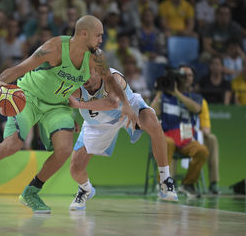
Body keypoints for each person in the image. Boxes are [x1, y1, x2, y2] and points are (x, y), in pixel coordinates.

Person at [0, 15, 139, 213]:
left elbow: (110, 80)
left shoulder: (96, 57)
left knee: (64, 149)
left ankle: (31, 192)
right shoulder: (55, 47)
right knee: (12, 145)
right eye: (98, 35)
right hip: (29, 97)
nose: (101, 40)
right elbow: (22, 67)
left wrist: (125, 103)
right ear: (84, 34)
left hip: (58, 105)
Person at [68, 68, 178, 211]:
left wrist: (78, 105)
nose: (85, 78)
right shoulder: (74, 84)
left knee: (152, 122)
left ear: (98, 71)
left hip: (128, 109)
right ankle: (85, 189)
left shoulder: (113, 78)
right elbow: (61, 100)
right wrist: (70, 116)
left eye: (89, 72)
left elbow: (112, 103)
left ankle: (165, 180)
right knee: (75, 169)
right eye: (82, 73)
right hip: (98, 124)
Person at [150, 65, 209, 197]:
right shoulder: (164, 96)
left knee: (202, 151)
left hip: (186, 140)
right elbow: (152, 112)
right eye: (183, 75)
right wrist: (160, 92)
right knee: (168, 143)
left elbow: (196, 109)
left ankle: (187, 185)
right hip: (168, 137)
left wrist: (176, 93)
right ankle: (164, 184)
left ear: (193, 79)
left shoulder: (195, 97)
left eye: (189, 75)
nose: (186, 78)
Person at [199, 99, 220, 194]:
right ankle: (170, 180)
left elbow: (207, 129)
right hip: (175, 136)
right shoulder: (168, 98)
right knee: (169, 141)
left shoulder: (200, 102)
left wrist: (198, 131)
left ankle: (213, 182)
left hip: (194, 136)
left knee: (212, 139)